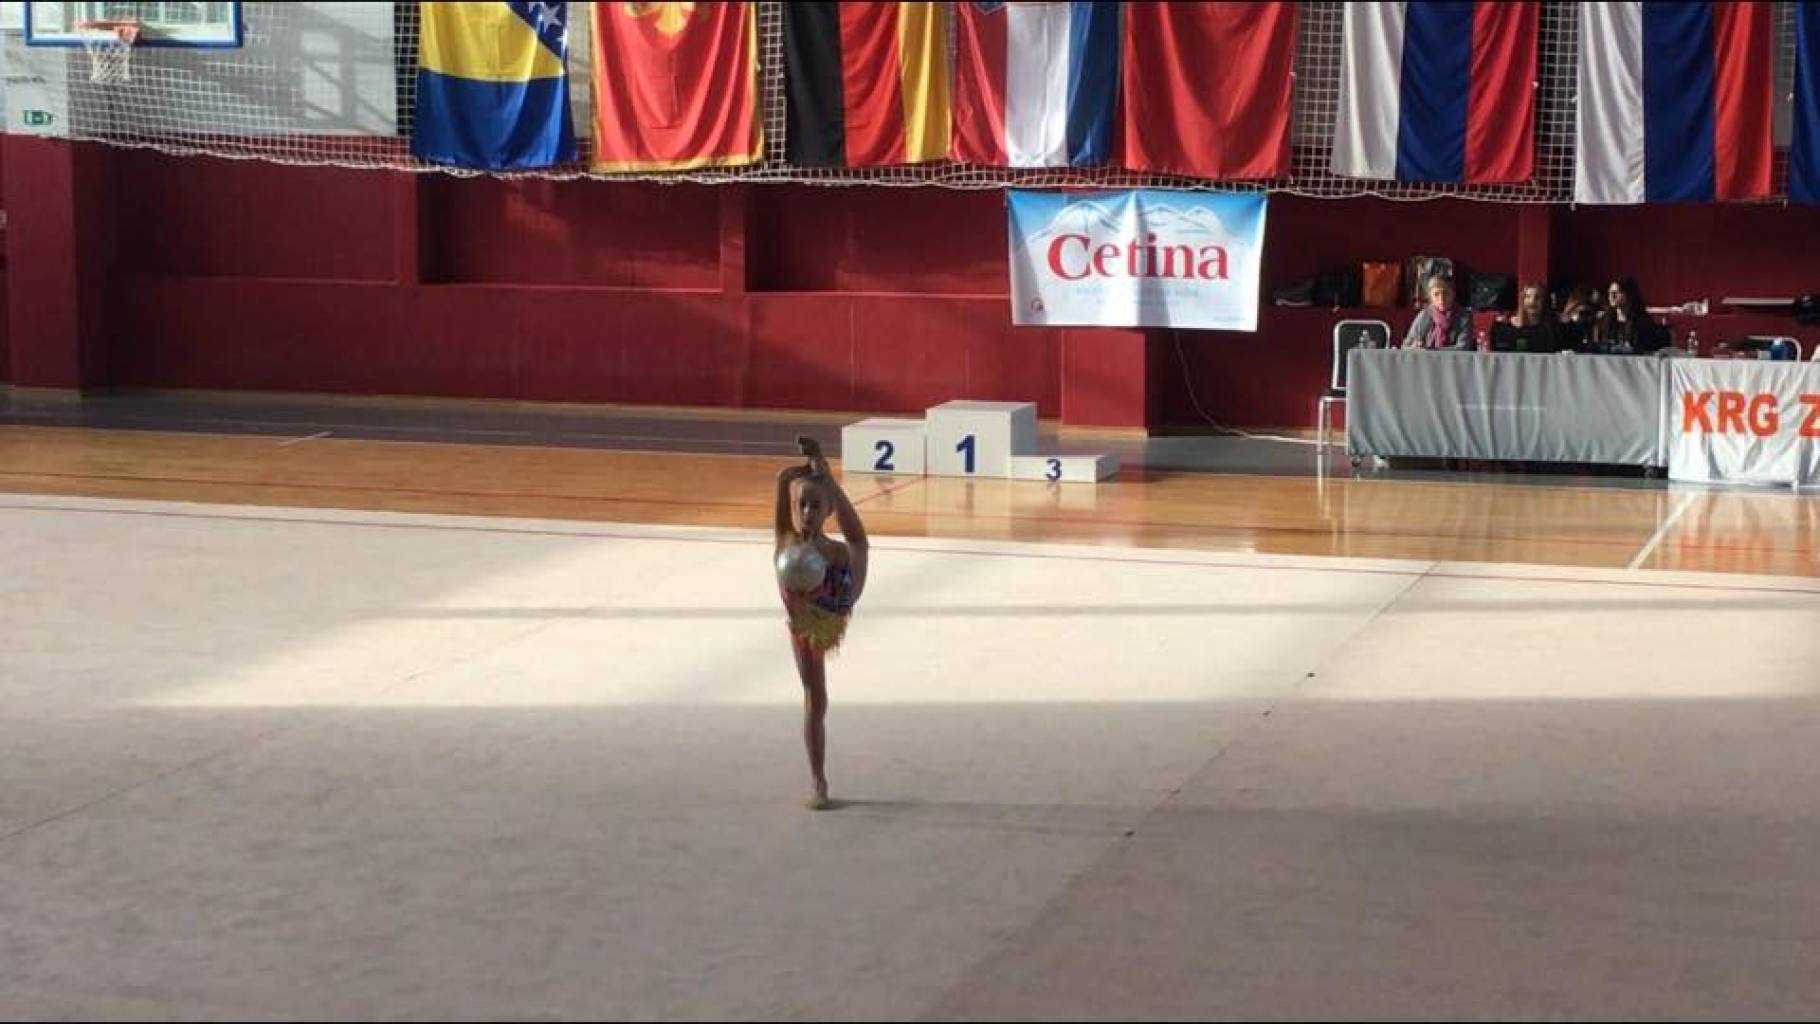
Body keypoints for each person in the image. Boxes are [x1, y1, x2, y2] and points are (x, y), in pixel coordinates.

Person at [774, 435, 869, 811]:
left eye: (816, 506)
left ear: (827, 511)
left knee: (857, 546)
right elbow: (783, 494)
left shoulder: (836, 551)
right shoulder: (785, 540)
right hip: (807, 627)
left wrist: (824, 475)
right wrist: (790, 476)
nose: (807, 512)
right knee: (816, 700)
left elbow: (856, 537)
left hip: (835, 604)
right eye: (802, 506)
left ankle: (826, 477)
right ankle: (818, 778)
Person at [1588, 276, 1669, 354]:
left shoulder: (1641, 322)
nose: (1612, 296)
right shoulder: (1604, 320)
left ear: (1628, 294)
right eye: (1610, 293)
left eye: (1616, 292)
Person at [1400, 275, 1474, 350]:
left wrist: (1431, 350)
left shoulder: (1464, 316)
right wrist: (1415, 347)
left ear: (1453, 294)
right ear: (1430, 297)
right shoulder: (1425, 315)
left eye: (1445, 293)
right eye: (1436, 294)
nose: (1441, 299)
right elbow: (1405, 346)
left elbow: (1463, 348)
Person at [1491, 283, 1565, 353]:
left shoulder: (1553, 329)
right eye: (1528, 297)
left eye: (1537, 297)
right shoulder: (1505, 326)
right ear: (1522, 300)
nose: (1532, 301)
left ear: (1544, 302)